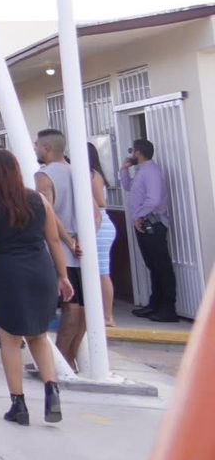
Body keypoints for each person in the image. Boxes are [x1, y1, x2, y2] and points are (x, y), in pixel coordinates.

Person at [0, 148, 69, 425]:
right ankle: (52, 391)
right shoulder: (38, 200)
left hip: (7, 271)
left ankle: (18, 404)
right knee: (38, 335)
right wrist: (63, 276)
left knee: (10, 338)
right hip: (41, 270)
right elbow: (53, 240)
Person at [34, 128, 86, 366]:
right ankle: (70, 357)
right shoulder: (80, 172)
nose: (35, 149)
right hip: (82, 246)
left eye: (37, 145)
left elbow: (48, 212)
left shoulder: (44, 176)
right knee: (83, 306)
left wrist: (68, 241)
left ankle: (61, 360)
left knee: (70, 305)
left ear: (46, 148)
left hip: (63, 248)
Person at [121, 137, 176, 322]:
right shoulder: (141, 171)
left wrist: (138, 216)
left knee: (161, 266)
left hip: (154, 223)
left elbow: (153, 199)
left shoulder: (151, 171)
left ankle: (168, 308)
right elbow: (127, 186)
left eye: (132, 150)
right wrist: (124, 169)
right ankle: (155, 304)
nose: (131, 154)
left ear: (138, 152)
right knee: (152, 265)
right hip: (144, 223)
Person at [85, 143, 117, 327]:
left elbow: (102, 202)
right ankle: (102, 313)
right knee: (98, 272)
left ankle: (108, 316)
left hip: (100, 226)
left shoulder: (93, 175)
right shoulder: (90, 174)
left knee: (103, 272)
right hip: (96, 226)